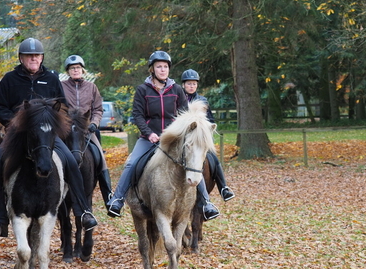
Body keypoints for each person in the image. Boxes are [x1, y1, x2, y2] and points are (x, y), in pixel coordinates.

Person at [0, 38, 98, 237]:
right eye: (29, 56)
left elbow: (63, 106)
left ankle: (83, 212)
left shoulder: (52, 79)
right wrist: (14, 121)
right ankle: (0, 218)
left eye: (37, 55)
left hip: (46, 135)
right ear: (21, 58)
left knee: (71, 162)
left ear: (42, 57)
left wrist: (54, 122)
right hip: (18, 135)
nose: (33, 59)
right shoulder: (9, 79)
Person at [106, 50, 220, 220]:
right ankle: (117, 199)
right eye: (159, 66)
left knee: (194, 162)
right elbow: (137, 115)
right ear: (152, 69)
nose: (163, 70)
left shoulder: (177, 90)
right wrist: (148, 133)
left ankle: (206, 202)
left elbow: (185, 115)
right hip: (149, 138)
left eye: (165, 66)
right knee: (132, 163)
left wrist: (179, 131)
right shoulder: (143, 90)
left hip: (173, 139)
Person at [61, 55, 113, 205]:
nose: (75, 70)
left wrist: (94, 123)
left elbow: (97, 109)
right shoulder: (62, 86)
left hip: (87, 129)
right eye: (72, 68)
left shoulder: (92, 88)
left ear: (82, 70)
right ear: (68, 71)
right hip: (67, 130)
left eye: (77, 68)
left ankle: (108, 195)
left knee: (100, 157)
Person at [180, 69, 235, 202]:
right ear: (183, 85)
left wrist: (207, 129)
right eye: (189, 84)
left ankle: (224, 188)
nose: (192, 86)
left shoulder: (203, 101)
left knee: (213, 158)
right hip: (183, 138)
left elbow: (210, 120)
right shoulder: (179, 100)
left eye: (194, 84)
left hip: (199, 139)